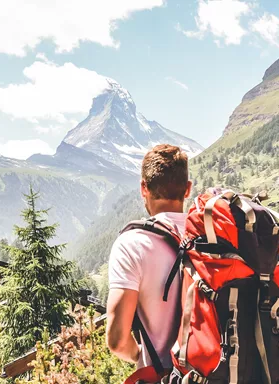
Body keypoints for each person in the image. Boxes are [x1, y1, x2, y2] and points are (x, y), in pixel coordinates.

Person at [106, 144, 192, 376]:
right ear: (187, 189)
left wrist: (140, 355)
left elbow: (117, 340)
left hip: (165, 376)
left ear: (144, 188)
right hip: (222, 372)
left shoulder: (132, 244)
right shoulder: (211, 237)